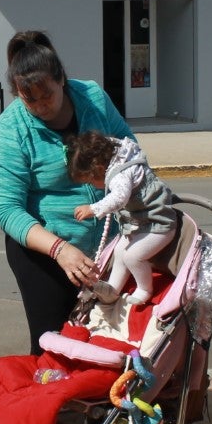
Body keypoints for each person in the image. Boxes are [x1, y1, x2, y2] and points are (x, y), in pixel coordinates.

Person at [0, 31, 135, 354]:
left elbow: (130, 153)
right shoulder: (10, 129)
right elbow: (7, 210)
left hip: (109, 248)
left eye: (47, 95)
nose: (41, 106)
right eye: (30, 100)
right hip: (44, 253)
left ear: (62, 80)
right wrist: (60, 250)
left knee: (111, 341)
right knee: (53, 347)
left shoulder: (93, 97)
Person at [66, 131, 179, 307]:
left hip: (158, 224)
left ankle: (145, 289)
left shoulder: (120, 175)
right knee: (119, 251)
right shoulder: (119, 154)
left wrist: (93, 209)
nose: (91, 186)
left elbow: (119, 198)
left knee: (133, 256)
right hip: (140, 223)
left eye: (90, 181)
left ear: (99, 169)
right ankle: (113, 288)